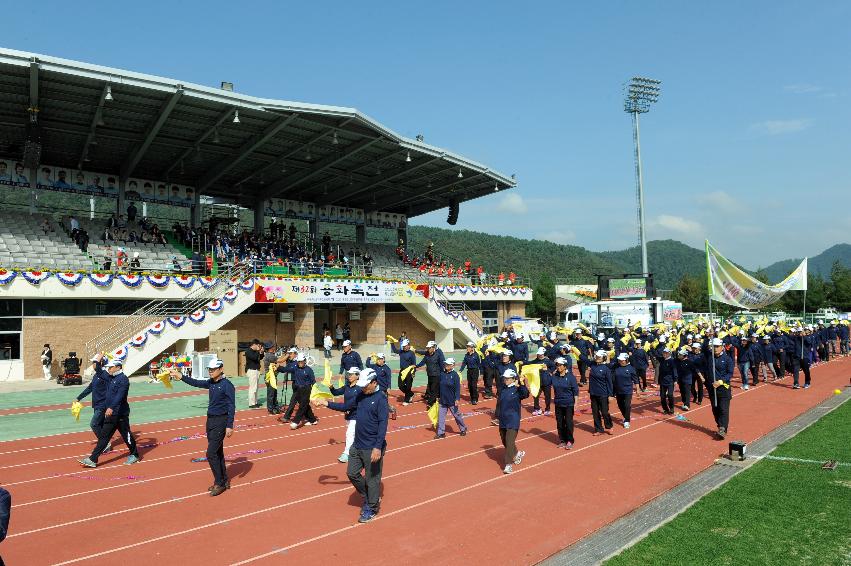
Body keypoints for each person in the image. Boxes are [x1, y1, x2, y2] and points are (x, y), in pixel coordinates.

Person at [316, 368, 388, 523]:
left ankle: (372, 507)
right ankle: (369, 496)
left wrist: (377, 447)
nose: (362, 388)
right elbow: (346, 406)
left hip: (372, 447)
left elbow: (383, 425)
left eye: (365, 385)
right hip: (358, 444)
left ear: (374, 383)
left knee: (372, 479)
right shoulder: (361, 395)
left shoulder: (381, 399)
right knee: (352, 473)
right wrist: (326, 403)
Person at [169, 358, 235, 496]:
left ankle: (219, 483)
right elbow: (196, 383)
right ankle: (224, 479)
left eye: (213, 369)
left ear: (221, 369)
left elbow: (231, 406)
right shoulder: (211, 383)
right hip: (210, 421)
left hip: (221, 421)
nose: (210, 372)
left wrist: (229, 425)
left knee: (210, 454)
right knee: (218, 452)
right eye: (209, 369)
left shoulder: (227, 385)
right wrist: (180, 376)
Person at [79, 357, 141, 467]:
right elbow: (97, 368)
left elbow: (120, 396)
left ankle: (134, 454)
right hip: (111, 414)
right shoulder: (110, 378)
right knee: (104, 436)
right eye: (108, 367)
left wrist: (111, 407)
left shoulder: (123, 379)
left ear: (118, 367)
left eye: (111, 367)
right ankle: (93, 459)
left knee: (126, 435)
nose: (109, 369)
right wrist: (99, 357)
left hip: (120, 413)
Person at [74, 355, 115, 457]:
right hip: (96, 404)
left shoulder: (104, 375)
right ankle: (105, 443)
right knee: (100, 425)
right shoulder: (96, 375)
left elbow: (97, 366)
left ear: (100, 364)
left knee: (94, 424)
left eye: (94, 362)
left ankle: (104, 443)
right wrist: (79, 398)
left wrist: (99, 357)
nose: (93, 364)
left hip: (103, 405)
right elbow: (89, 388)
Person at [321, 367, 362, 463]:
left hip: (357, 416)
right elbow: (335, 393)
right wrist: (330, 386)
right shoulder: (347, 386)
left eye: (352, 374)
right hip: (348, 415)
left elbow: (346, 406)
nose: (349, 376)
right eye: (348, 374)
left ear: (357, 376)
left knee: (349, 434)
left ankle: (347, 453)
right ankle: (358, 450)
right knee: (353, 434)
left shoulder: (359, 389)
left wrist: (326, 403)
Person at [497, 369, 529, 474]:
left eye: (507, 378)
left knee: (509, 441)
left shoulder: (517, 390)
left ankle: (508, 464)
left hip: (513, 420)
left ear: (513, 379)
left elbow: (525, 394)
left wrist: (521, 384)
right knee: (504, 441)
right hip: (503, 420)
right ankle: (517, 453)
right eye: (504, 378)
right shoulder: (502, 389)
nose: (505, 380)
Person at [706, 337, 734, 439]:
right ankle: (720, 425)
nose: (715, 348)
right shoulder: (710, 358)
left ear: (722, 347)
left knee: (723, 409)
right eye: (713, 347)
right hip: (712, 388)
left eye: (717, 346)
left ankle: (723, 428)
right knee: (715, 409)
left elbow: (730, 374)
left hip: (724, 388)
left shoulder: (727, 359)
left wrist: (720, 382)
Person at [435, 358, 468, 439]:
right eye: (445, 364)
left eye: (448, 364)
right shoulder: (442, 374)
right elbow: (439, 386)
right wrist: (438, 396)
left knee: (457, 416)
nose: (446, 365)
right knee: (441, 418)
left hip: (452, 401)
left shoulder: (455, 375)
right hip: (443, 400)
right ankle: (441, 432)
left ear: (452, 365)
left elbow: (457, 389)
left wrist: (457, 399)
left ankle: (463, 428)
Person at [284, 353, 319, 429]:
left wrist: (315, 392)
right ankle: (313, 420)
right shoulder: (295, 368)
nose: (300, 363)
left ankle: (295, 422)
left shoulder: (309, 370)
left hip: (307, 389)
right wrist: (278, 368)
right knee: (305, 405)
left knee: (302, 406)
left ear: (305, 361)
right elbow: (286, 369)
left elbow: (313, 381)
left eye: (301, 361)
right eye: (299, 361)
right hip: (299, 389)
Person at [551, 357, 579, 449]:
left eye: (560, 365)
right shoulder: (554, 377)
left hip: (569, 403)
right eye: (557, 365)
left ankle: (570, 441)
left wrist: (576, 404)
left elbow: (575, 391)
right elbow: (548, 383)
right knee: (560, 423)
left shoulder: (571, 377)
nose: (558, 367)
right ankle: (562, 440)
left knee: (568, 422)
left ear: (565, 366)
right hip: (558, 403)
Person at [588, 350, 614, 435]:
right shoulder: (592, 365)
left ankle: (609, 426)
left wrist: (610, 395)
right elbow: (583, 358)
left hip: (603, 394)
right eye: (596, 356)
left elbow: (609, 382)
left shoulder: (606, 369)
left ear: (603, 358)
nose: (597, 358)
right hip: (593, 393)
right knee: (595, 413)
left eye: (599, 357)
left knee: (604, 412)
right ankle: (598, 429)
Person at [611, 352, 639, 428]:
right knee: (620, 405)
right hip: (618, 390)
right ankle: (626, 415)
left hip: (627, 390)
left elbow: (636, 380)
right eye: (619, 360)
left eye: (622, 360)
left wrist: (638, 389)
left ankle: (627, 420)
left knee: (627, 405)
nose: (620, 361)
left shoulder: (631, 368)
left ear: (626, 360)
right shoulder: (616, 366)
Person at [416, 340, 445, 406]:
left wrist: (442, 373)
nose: (427, 349)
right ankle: (433, 398)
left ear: (433, 347)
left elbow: (442, 364)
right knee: (431, 387)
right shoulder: (428, 354)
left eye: (429, 348)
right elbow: (423, 360)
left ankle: (430, 403)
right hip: (430, 374)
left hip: (437, 374)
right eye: (427, 348)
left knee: (434, 389)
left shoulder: (439, 353)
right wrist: (416, 366)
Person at [391, 338, 417, 405]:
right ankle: (411, 394)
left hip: (409, 371)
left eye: (405, 346)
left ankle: (407, 400)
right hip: (402, 371)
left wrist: (413, 373)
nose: (404, 347)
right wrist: (392, 343)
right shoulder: (401, 351)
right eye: (403, 346)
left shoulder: (411, 353)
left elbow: (414, 364)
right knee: (400, 386)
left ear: (408, 345)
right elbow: (395, 350)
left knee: (408, 387)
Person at [530, 347, 555, 416]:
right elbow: (529, 364)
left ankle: (547, 409)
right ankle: (537, 409)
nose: (540, 355)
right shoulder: (535, 361)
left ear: (544, 354)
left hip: (547, 382)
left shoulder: (548, 361)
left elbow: (554, 367)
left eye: (541, 354)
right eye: (538, 354)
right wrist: (522, 362)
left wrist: (548, 371)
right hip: (537, 382)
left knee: (547, 397)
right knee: (536, 395)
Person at [459, 341, 481, 405]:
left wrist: (481, 372)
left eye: (468, 347)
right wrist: (460, 370)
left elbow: (479, 364)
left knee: (473, 385)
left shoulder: (476, 355)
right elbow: (464, 363)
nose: (467, 348)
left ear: (472, 348)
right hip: (469, 371)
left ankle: (474, 399)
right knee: (470, 385)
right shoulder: (466, 355)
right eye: (467, 347)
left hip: (475, 371)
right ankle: (472, 397)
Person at [656, 348, 678, 415]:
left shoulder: (672, 361)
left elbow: (674, 370)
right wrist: (651, 348)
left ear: (669, 353)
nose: (664, 354)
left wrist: (675, 380)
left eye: (666, 353)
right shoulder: (662, 359)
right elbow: (655, 354)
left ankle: (671, 408)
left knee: (670, 395)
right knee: (662, 396)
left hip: (670, 381)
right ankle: (665, 409)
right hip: (662, 381)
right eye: (663, 353)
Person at [262, 341, 279, 414]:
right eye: (273, 346)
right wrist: (288, 355)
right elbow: (280, 360)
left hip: (272, 376)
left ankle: (275, 407)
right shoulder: (270, 355)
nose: (274, 347)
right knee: (271, 393)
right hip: (270, 377)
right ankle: (271, 409)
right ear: (270, 348)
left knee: (274, 393)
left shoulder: (271, 354)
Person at [245, 339, 262, 409]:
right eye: (257, 345)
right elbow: (254, 358)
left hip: (256, 370)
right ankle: (251, 403)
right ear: (254, 344)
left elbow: (259, 358)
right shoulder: (248, 351)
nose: (258, 347)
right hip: (252, 371)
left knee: (256, 388)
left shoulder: (255, 352)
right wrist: (258, 351)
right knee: (252, 387)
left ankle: (255, 402)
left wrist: (261, 352)